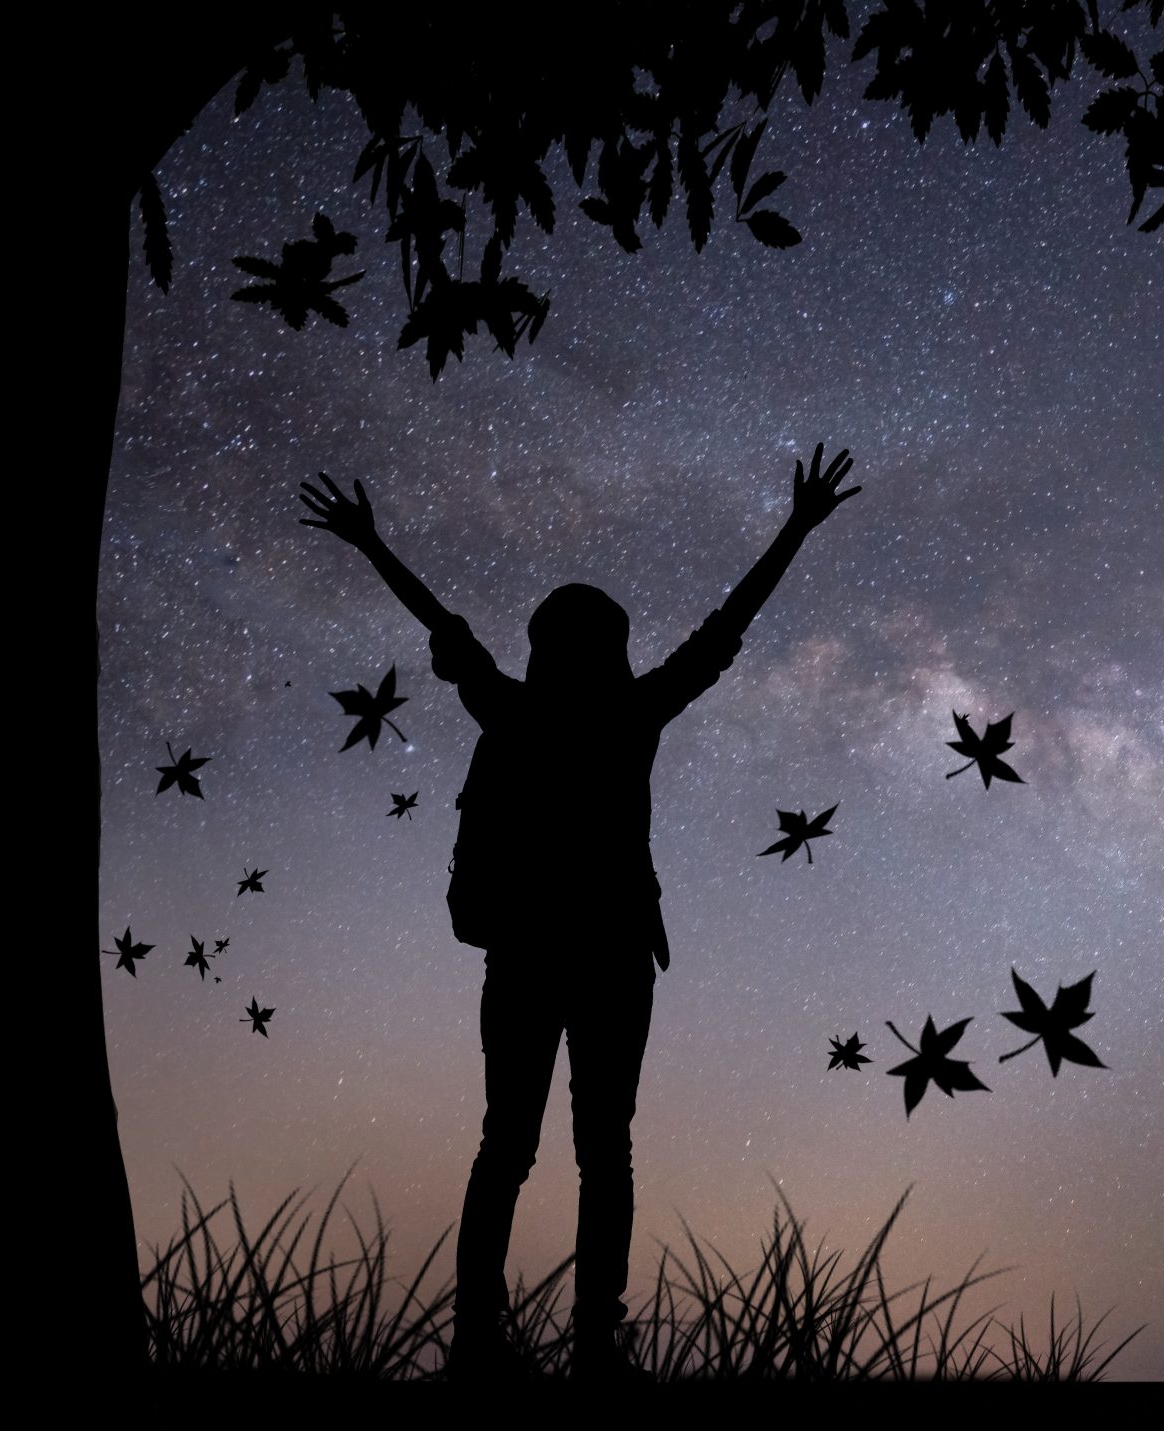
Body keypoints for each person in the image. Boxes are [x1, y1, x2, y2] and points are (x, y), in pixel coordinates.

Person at [299, 446, 861, 1381]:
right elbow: (725, 630)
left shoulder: (512, 713)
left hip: (524, 954)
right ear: (612, 648)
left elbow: (445, 625)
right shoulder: (631, 715)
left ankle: (483, 1340)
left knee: (508, 1149)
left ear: (542, 647)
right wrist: (795, 529)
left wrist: (371, 545)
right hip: (606, 957)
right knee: (603, 1151)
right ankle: (593, 1342)